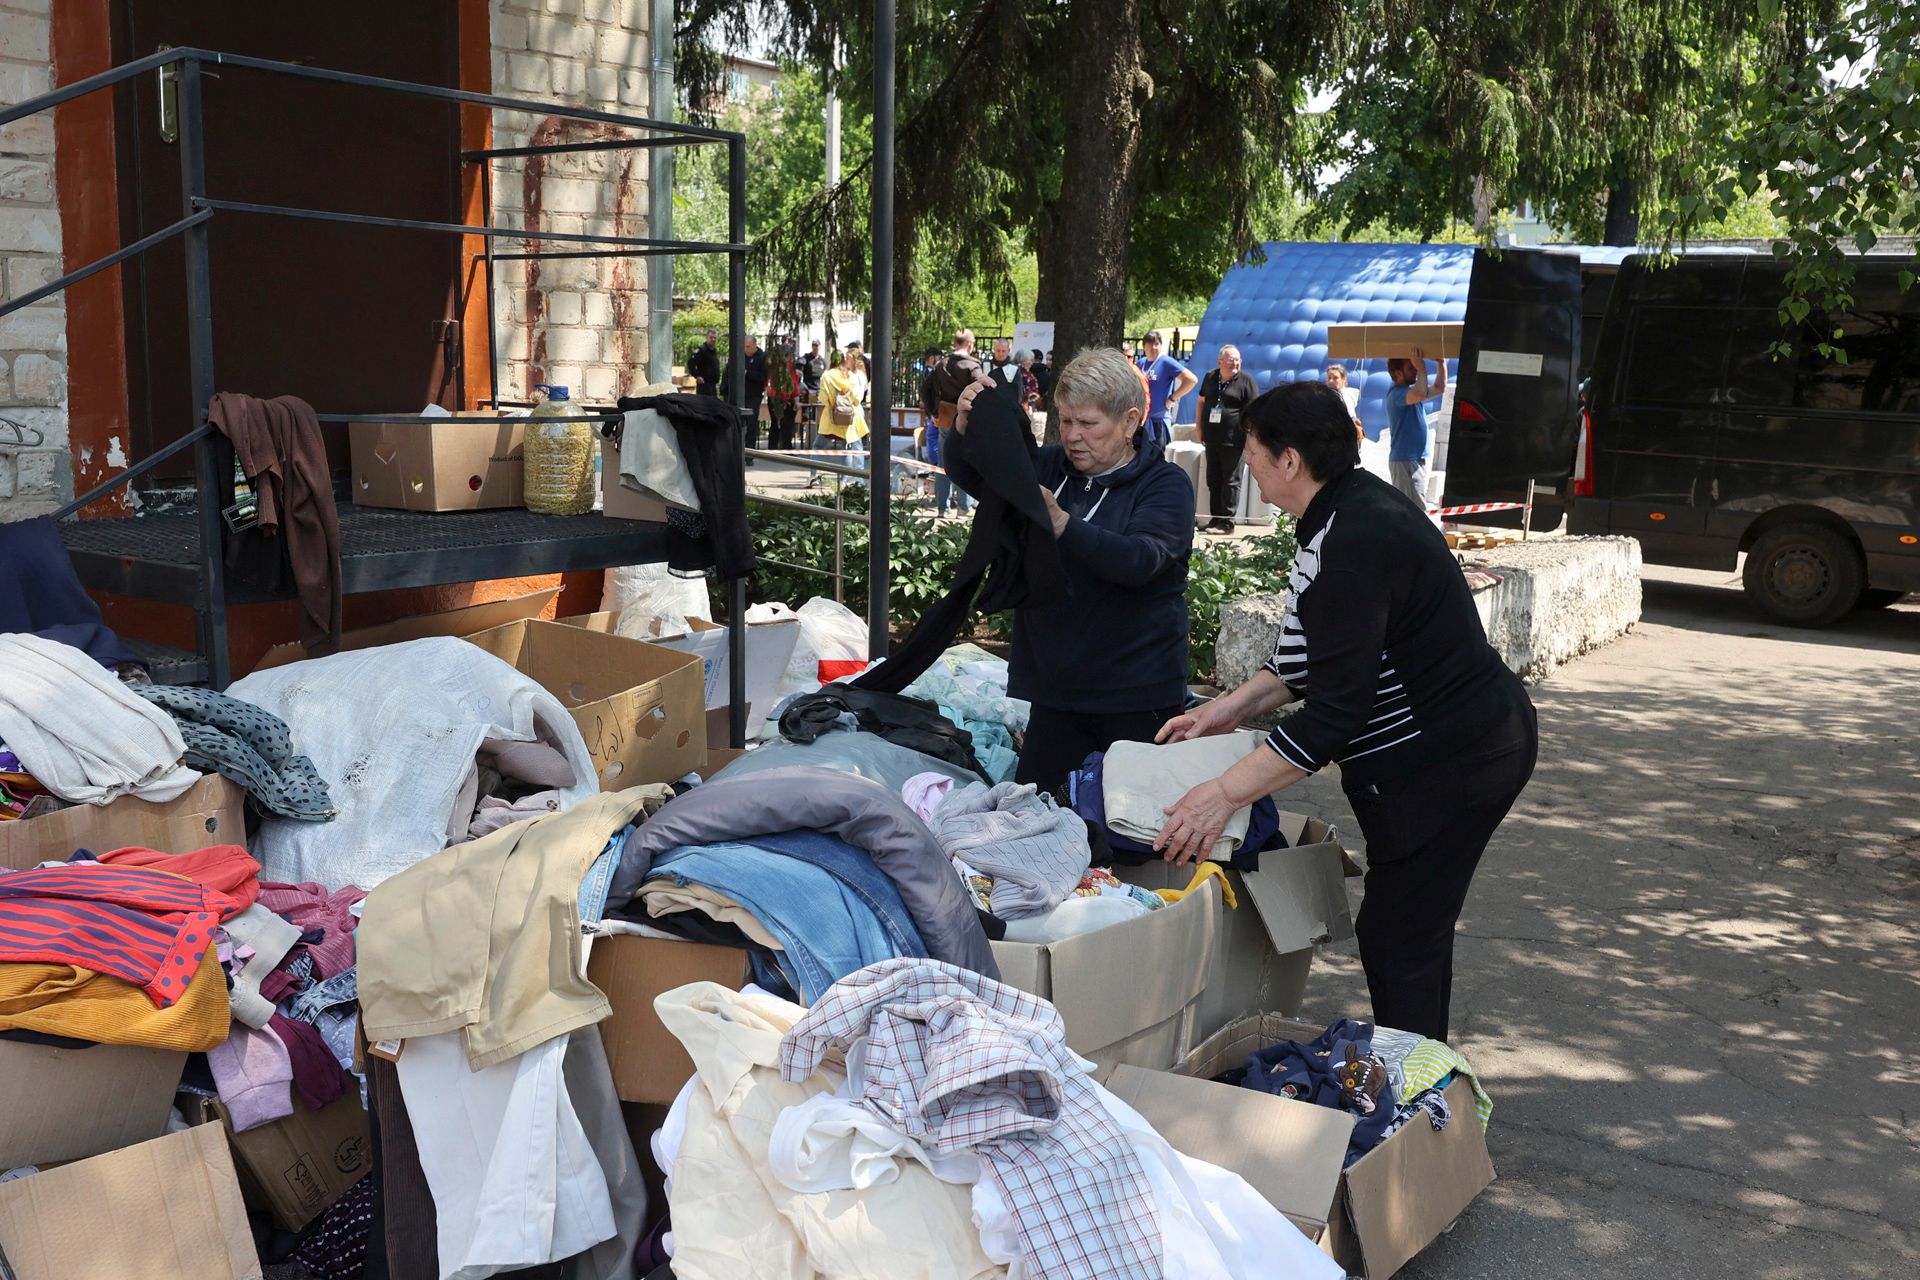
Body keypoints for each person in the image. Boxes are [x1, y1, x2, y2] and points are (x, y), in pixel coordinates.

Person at [1154, 380, 1536, 1041]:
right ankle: (1425, 1077)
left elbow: (1334, 716)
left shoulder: (1354, 539)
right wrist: (1223, 712)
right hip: (1451, 748)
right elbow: (1305, 659)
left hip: (1455, 758)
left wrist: (1220, 795)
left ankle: (1421, 1090)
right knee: (1407, 930)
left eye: (1253, 451)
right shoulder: (1337, 514)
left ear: (1291, 460)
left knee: (1400, 936)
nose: (1247, 463)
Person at [946, 347, 1195, 793]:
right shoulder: (1048, 466)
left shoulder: (1165, 484)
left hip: (1137, 691)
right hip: (1055, 692)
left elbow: (1142, 559)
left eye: (1088, 423)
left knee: (1130, 821)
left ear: (1130, 422)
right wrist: (965, 428)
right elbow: (978, 477)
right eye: (1065, 421)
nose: (1073, 435)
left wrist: (1062, 524)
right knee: (1038, 815)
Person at [1193, 345, 1259, 533]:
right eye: (1231, 360)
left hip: (1234, 440)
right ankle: (1215, 520)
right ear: (1220, 361)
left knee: (1231, 482)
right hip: (1212, 438)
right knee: (1214, 480)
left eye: (1238, 359)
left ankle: (1227, 523)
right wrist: (1199, 428)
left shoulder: (1246, 381)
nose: (1235, 363)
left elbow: (1253, 411)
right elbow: (1201, 402)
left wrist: (1250, 438)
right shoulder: (1210, 377)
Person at [1371, 348, 1445, 505]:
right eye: (1411, 368)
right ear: (1398, 374)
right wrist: (1422, 367)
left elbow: (1439, 388)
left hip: (1414, 459)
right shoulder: (1397, 395)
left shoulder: (1409, 393)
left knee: (1415, 507)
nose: (1415, 371)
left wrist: (1441, 363)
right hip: (1405, 461)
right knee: (1413, 509)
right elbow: (1420, 393)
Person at [1139, 330, 1198, 450]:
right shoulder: (1140, 363)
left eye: (1156, 344)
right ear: (1144, 347)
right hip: (1142, 420)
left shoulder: (1166, 362)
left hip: (1158, 422)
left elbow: (1191, 380)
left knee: (1157, 458)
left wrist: (1172, 398)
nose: (1154, 347)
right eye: (1150, 344)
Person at [721, 335, 770, 463]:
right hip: (738, 395)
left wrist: (748, 373)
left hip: (753, 395)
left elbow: (763, 377)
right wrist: (724, 389)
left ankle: (749, 455)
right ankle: (734, 453)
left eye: (748, 347)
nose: (746, 349)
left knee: (751, 424)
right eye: (744, 347)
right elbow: (728, 372)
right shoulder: (739, 356)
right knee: (735, 423)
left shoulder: (762, 358)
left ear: (755, 345)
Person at [813, 350, 867, 453]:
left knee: (818, 446)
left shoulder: (827, 376)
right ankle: (850, 465)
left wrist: (832, 402)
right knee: (847, 449)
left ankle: (813, 464)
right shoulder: (850, 376)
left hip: (831, 418)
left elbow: (823, 398)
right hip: (848, 416)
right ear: (843, 360)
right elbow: (857, 397)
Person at [766, 342, 802, 452]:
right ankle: (779, 449)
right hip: (779, 399)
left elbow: (794, 385)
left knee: (785, 425)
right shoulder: (776, 367)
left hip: (786, 398)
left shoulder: (790, 367)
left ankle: (783, 448)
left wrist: (796, 399)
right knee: (780, 425)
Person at [1325, 363, 1364, 443]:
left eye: (1335, 378)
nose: (1331, 381)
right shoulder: (1329, 395)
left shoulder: (1345, 396)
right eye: (1329, 378)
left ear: (1344, 380)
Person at [688, 329, 721, 397]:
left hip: (712, 386)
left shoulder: (714, 351)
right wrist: (697, 376)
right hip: (704, 386)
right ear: (706, 338)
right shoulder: (702, 350)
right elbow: (690, 363)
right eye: (711, 337)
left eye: (715, 338)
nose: (713, 339)